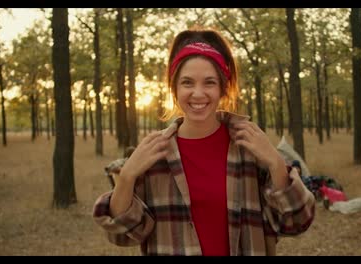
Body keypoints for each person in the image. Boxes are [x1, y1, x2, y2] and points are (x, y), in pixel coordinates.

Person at [93, 27, 315, 256]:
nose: (198, 94)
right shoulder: (154, 154)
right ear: (174, 88)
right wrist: (127, 176)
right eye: (187, 83)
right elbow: (123, 234)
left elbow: (297, 222)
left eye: (209, 83)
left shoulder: (249, 149)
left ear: (223, 89)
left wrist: (276, 164)